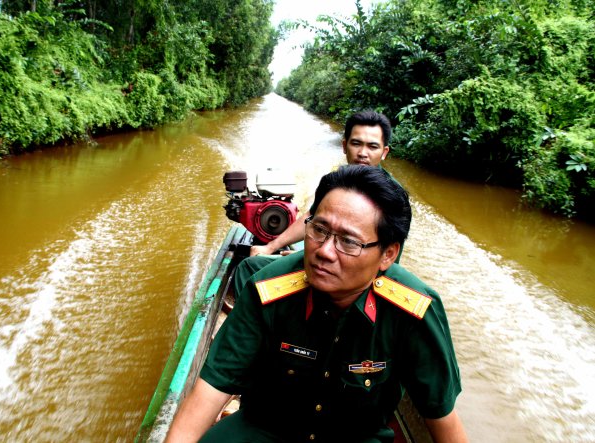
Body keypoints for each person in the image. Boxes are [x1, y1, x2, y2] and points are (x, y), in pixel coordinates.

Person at [165, 165, 467, 443]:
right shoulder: (268, 288)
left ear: (388, 254)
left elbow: (441, 416)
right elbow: (213, 386)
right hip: (265, 428)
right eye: (319, 230)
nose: (324, 251)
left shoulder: (414, 311)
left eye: (348, 242)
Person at [249, 110, 391, 258]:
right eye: (356, 143)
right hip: (323, 254)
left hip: (355, 270)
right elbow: (311, 216)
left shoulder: (392, 197)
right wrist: (270, 247)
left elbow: (387, 258)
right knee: (251, 264)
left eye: (372, 147)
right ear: (344, 146)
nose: (362, 153)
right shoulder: (334, 181)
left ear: (384, 152)